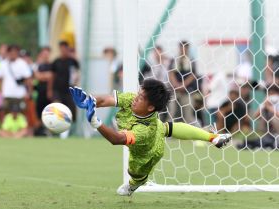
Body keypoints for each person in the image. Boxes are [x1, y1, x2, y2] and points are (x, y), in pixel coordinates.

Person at [69, 78, 231, 196]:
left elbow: (116, 139)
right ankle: (213, 137)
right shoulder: (134, 100)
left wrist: (96, 122)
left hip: (148, 152)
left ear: (151, 107)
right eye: (138, 94)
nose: (135, 98)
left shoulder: (145, 131)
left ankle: (134, 185)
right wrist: (88, 100)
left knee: (134, 173)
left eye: (140, 98)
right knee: (167, 127)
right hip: (152, 127)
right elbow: (105, 100)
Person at [168, 41, 199, 125]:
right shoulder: (174, 60)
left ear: (188, 48)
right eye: (181, 47)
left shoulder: (191, 60)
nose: (183, 49)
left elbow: (193, 75)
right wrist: (176, 85)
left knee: (188, 113)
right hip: (175, 90)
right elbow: (171, 72)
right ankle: (168, 131)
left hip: (187, 91)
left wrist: (183, 85)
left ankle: (191, 132)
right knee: (171, 111)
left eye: (185, 47)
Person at [52, 41, 79, 124]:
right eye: (61, 49)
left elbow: (76, 74)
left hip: (69, 89)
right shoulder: (56, 62)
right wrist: (50, 90)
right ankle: (57, 125)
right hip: (58, 89)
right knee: (57, 107)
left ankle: (71, 126)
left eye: (65, 49)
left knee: (71, 108)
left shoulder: (72, 61)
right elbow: (52, 76)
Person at [33, 47, 53, 135]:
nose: (45, 55)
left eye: (47, 53)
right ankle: (40, 132)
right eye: (44, 53)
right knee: (39, 113)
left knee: (49, 113)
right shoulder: (39, 65)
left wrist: (42, 76)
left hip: (48, 94)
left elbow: (51, 76)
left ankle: (49, 131)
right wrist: (45, 76)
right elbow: (37, 76)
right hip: (39, 93)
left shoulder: (52, 65)